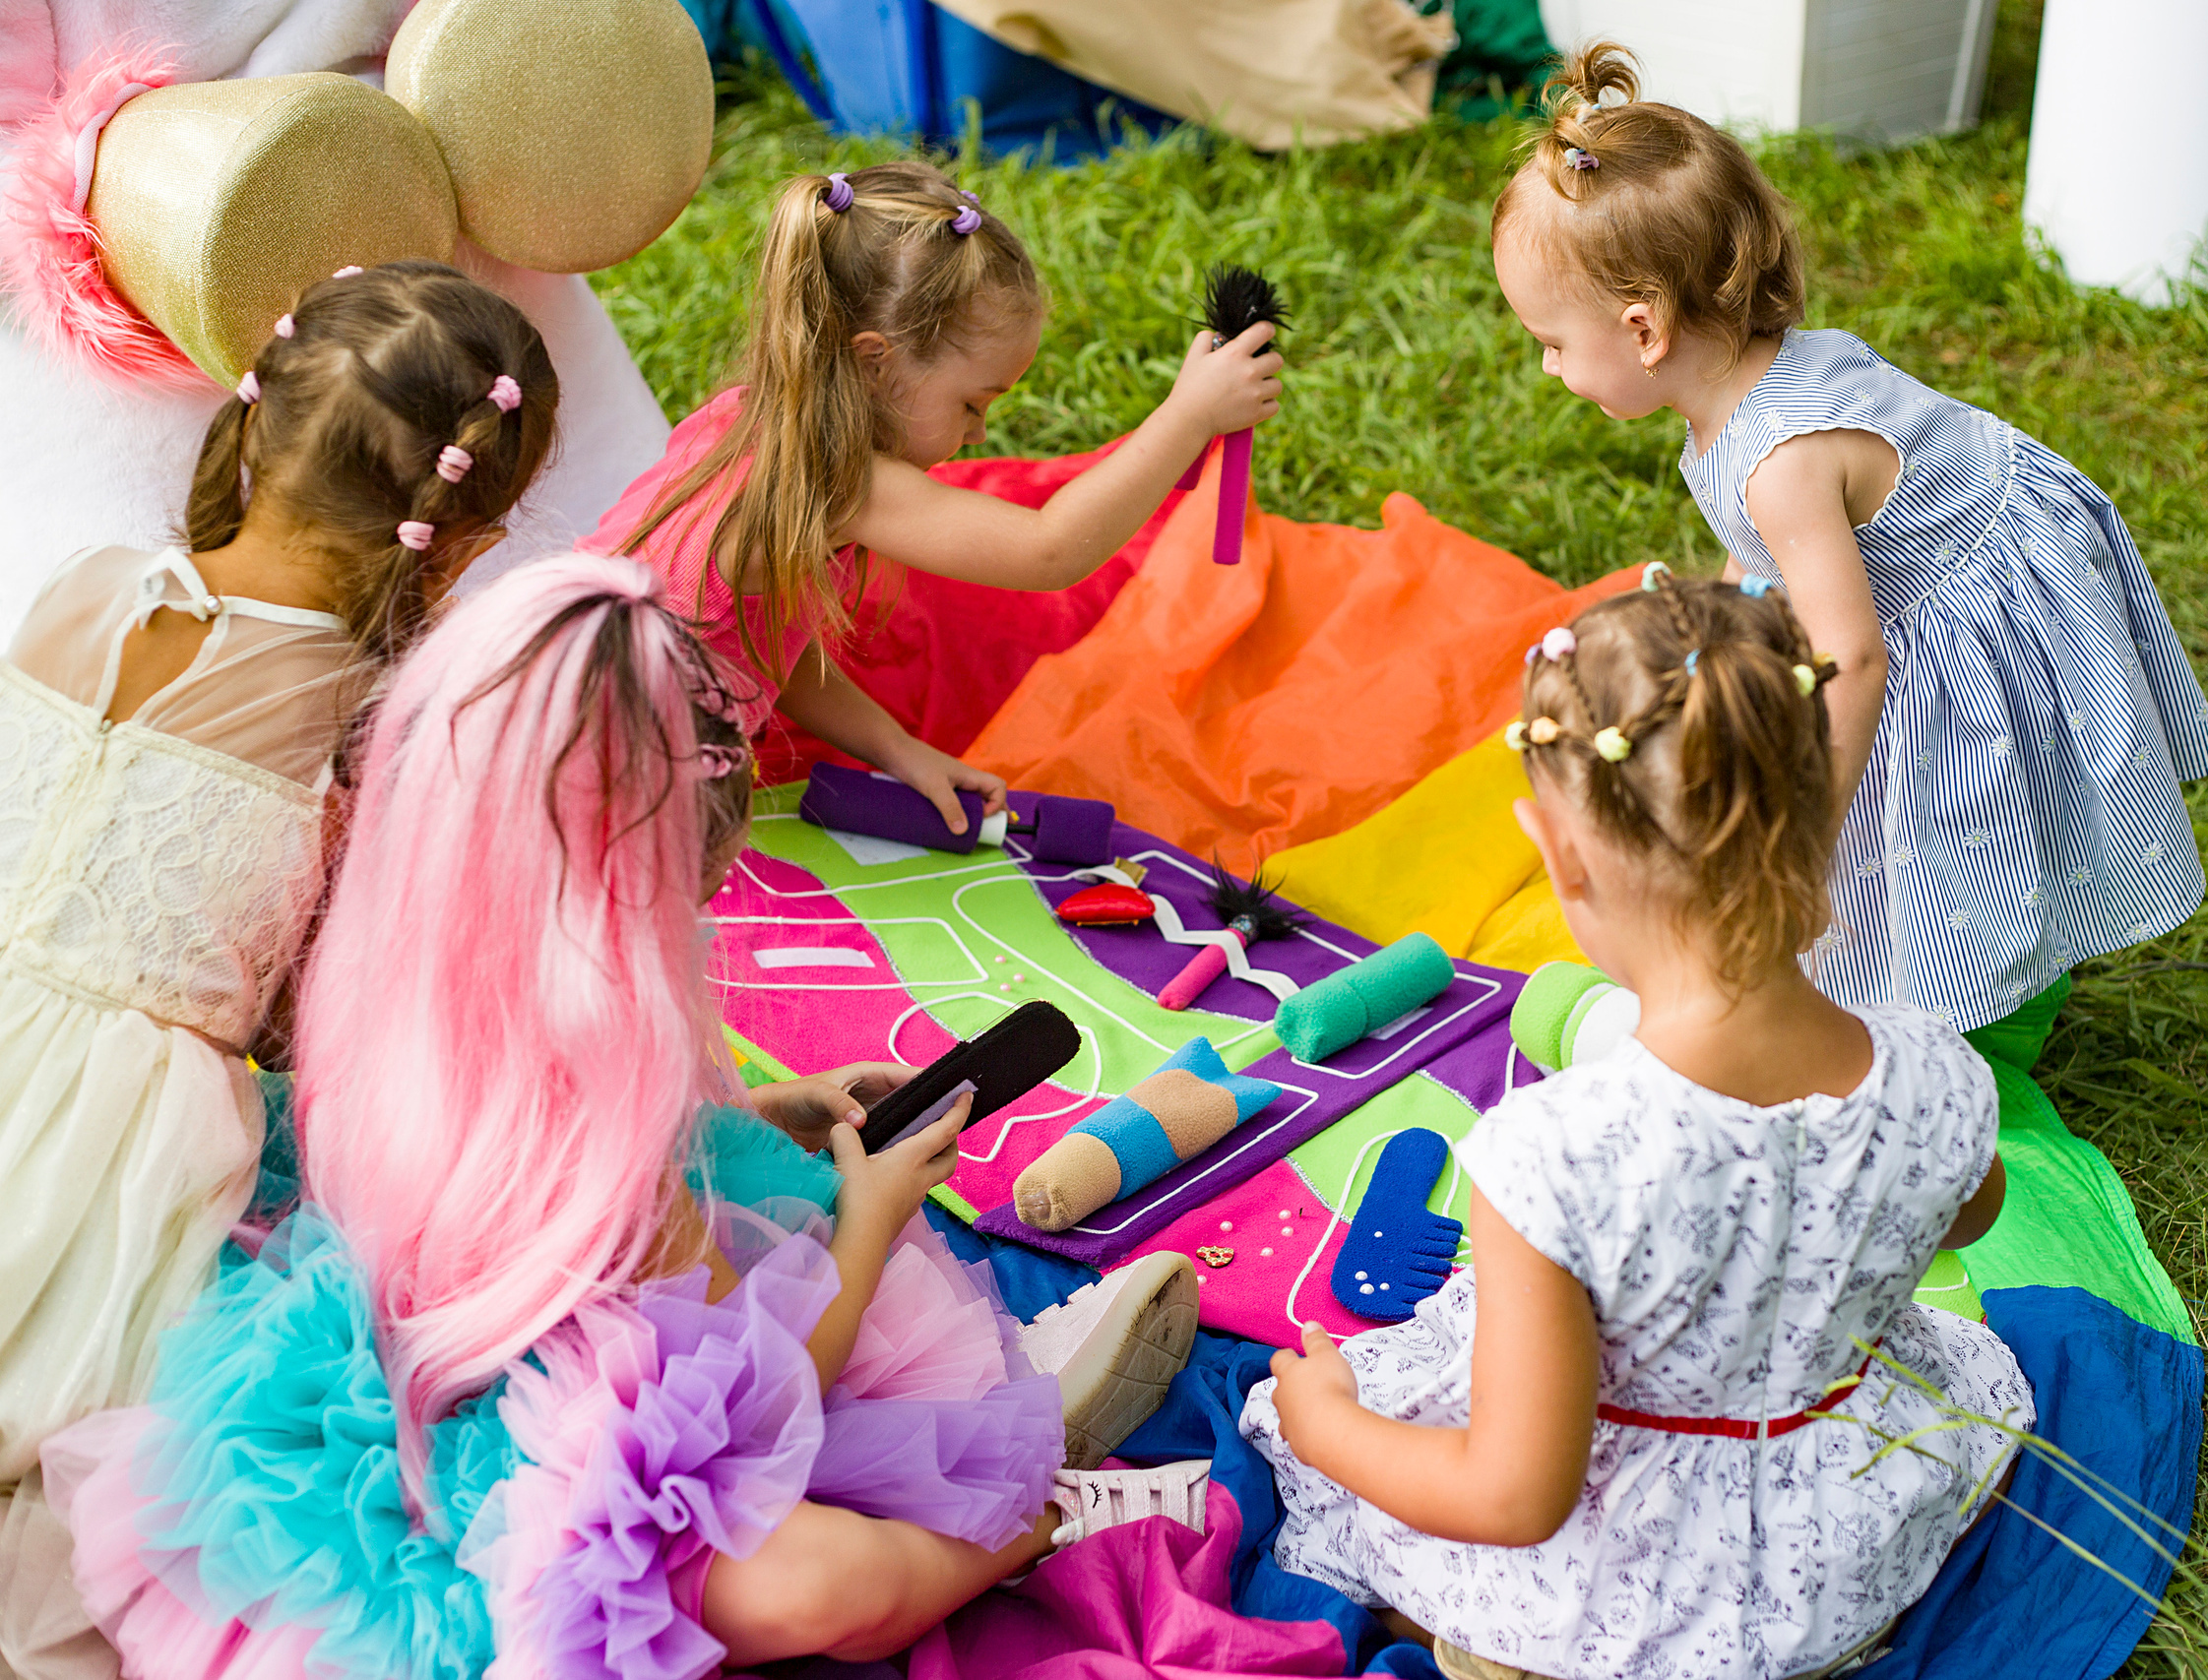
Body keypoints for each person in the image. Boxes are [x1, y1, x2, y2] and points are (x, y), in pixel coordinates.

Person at [40, 556, 1206, 1679]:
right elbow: (764, 1391)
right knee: (823, 1578)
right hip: (572, 1452)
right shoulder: (626, 1155)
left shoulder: (403, 971)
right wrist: (869, 1214)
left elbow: (545, 1160)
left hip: (464, 1364)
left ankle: (1007, 1454)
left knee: (789, 1310)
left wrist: (760, 1109)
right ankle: (1039, 1515)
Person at [1244, 578, 2034, 1680]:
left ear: (1558, 856)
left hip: (1620, 1616)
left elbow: (1512, 1498)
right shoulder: (1935, 1069)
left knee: (1350, 1437)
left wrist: (1327, 1426)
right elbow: (1966, 1213)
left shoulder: (1550, 1158)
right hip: (1851, 1555)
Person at [0, 261, 560, 1679]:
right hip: (103, 1152)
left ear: (250, 428)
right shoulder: (360, 719)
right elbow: (329, 1016)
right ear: (464, 534)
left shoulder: (81, 587)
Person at [1489, 43, 2208, 1041]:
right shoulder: (1735, 391)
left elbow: (1857, 659)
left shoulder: (1782, 462)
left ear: (1643, 329)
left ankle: (1965, 1010)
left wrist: (1805, 830)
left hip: (1964, 606)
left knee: (1943, 808)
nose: (1545, 366)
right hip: (1929, 570)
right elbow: (1766, 571)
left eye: (1552, 343)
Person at [598, 157, 1284, 835]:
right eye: (971, 404)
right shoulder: (838, 482)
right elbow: (1048, 552)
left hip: (551, 694)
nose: (979, 433)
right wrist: (1188, 416)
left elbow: (769, 648)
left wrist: (901, 753)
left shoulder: (746, 419)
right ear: (876, 363)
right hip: (597, 769)